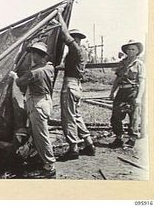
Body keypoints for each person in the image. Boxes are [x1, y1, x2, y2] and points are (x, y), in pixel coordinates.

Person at [10, 41, 56, 179]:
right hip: (45, 101)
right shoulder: (49, 67)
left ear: (37, 55)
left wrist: (14, 76)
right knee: (39, 134)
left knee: (42, 137)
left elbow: (19, 82)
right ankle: (41, 160)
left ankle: (49, 166)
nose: (31, 56)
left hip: (37, 104)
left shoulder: (34, 71)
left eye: (33, 54)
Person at [57, 9, 96, 161]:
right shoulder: (81, 52)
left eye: (72, 38)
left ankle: (73, 148)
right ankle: (89, 144)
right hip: (77, 86)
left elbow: (66, 35)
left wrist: (60, 15)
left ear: (75, 39)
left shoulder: (76, 50)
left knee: (68, 118)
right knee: (76, 116)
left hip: (70, 85)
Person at [109, 40, 145, 148]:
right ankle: (118, 138)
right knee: (116, 115)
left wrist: (139, 97)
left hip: (132, 91)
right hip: (121, 91)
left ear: (137, 51)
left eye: (133, 49)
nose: (130, 51)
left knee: (133, 115)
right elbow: (117, 78)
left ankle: (132, 139)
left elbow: (142, 82)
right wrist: (112, 92)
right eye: (128, 49)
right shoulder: (122, 63)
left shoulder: (139, 64)